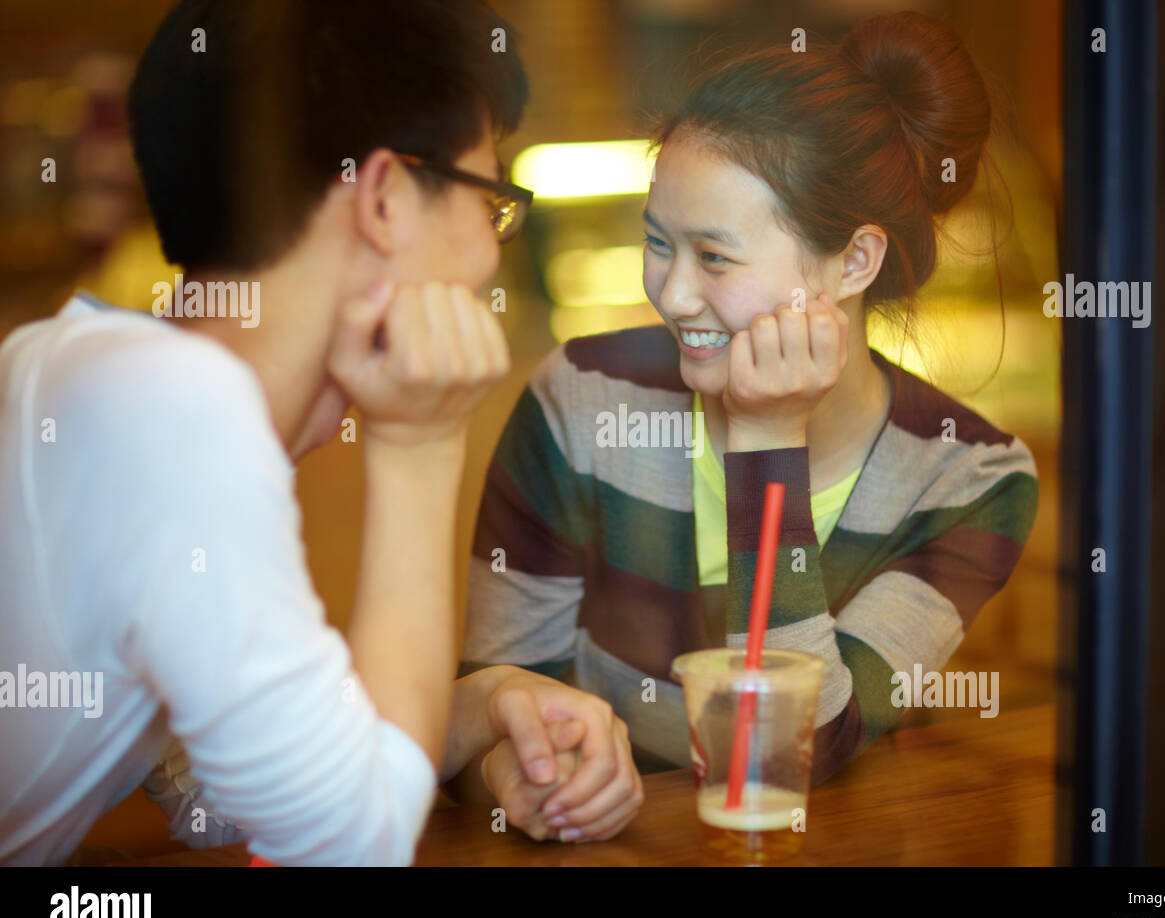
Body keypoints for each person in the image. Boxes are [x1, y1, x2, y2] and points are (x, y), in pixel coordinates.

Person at [0, 0, 641, 866]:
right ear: (382, 199)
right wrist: (419, 443)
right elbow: (347, 844)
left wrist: (482, 705)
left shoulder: (90, 370)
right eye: (492, 201)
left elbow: (222, 793)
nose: (491, 256)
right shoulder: (173, 408)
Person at [459, 11, 1039, 793]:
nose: (673, 294)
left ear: (855, 260)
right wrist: (519, 772)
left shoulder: (970, 478)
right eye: (658, 243)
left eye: (715, 256)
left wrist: (768, 438)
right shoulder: (581, 399)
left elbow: (800, 749)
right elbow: (489, 704)